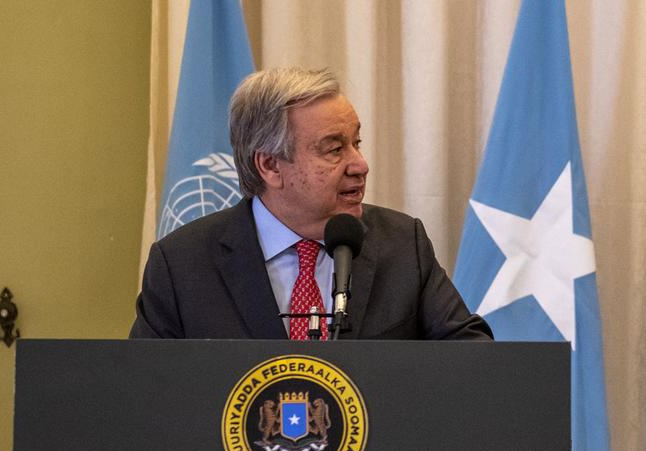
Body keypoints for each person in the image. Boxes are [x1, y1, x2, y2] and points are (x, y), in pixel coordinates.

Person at [131, 67, 492, 340]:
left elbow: (469, 354)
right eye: (334, 149)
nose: (360, 165)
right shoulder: (182, 265)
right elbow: (148, 390)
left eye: (356, 143)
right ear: (270, 165)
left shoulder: (401, 243)